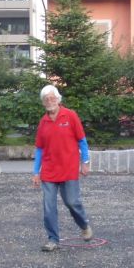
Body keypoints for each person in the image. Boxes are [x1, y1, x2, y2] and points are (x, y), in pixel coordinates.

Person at [32, 85, 93, 252]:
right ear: (43, 103)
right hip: (49, 171)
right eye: (46, 99)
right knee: (48, 207)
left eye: (52, 98)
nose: (49, 101)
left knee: (72, 202)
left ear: (58, 100)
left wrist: (85, 161)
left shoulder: (70, 116)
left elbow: (82, 140)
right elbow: (39, 149)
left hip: (69, 168)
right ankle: (53, 239)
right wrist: (35, 172)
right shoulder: (43, 122)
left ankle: (84, 225)